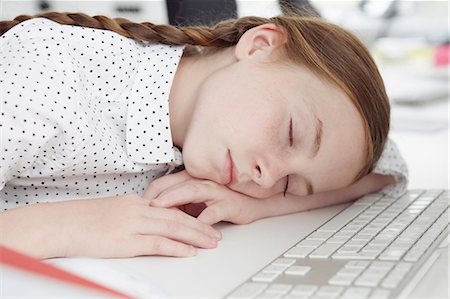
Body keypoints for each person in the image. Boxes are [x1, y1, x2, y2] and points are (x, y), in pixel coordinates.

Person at [0, 12, 407, 259]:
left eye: (288, 184)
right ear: (261, 45)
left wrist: (258, 207)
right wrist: (67, 228)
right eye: (290, 134)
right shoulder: (47, 74)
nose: (265, 177)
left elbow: (390, 168)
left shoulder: (212, 133)